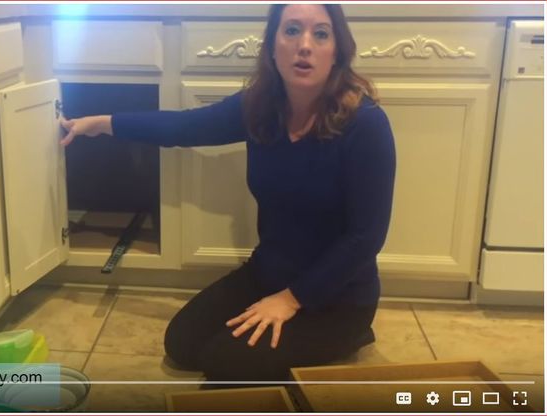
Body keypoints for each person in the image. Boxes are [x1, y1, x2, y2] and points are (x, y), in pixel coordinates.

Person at [59, 4, 396, 382]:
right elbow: (184, 127)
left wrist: (290, 299)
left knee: (224, 362)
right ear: (272, 46)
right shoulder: (260, 107)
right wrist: (101, 123)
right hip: (268, 272)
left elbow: (366, 237)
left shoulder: (365, 125)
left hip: (337, 297)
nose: (305, 45)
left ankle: (348, 335)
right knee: (183, 344)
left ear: (337, 51)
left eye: (320, 34)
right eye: (291, 31)